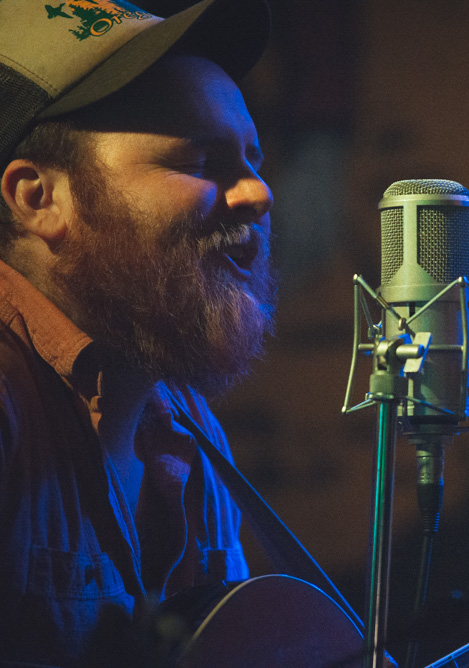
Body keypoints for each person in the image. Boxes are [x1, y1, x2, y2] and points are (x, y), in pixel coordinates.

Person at [0, 0, 275, 663]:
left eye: (252, 158)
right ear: (40, 199)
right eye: (204, 160)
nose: (258, 193)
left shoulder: (188, 429)